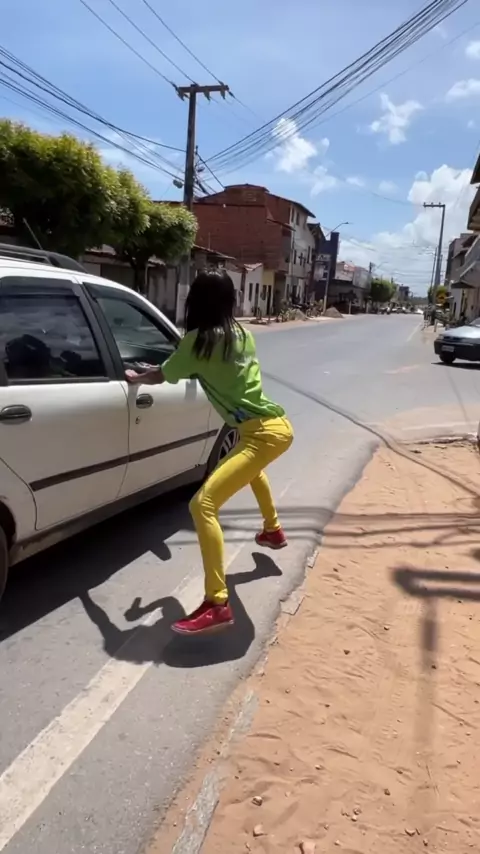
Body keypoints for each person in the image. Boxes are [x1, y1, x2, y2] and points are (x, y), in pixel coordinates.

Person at [126, 269, 294, 636]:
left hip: (260, 434)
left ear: (195, 303)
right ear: (230, 302)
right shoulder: (243, 334)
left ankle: (217, 603)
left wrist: (138, 377)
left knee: (202, 505)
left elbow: (165, 375)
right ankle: (273, 531)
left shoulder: (198, 342)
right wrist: (160, 368)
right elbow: (205, 369)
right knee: (249, 470)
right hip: (273, 426)